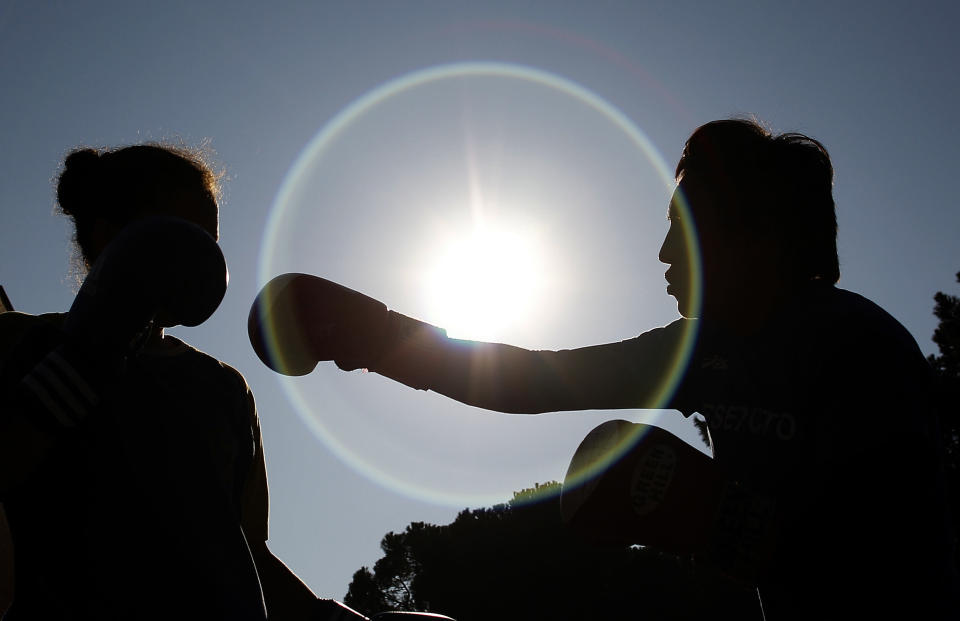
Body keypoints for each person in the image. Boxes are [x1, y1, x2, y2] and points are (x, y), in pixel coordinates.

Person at [249, 119, 960, 619]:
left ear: (757, 237)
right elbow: (533, 378)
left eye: (682, 230)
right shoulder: (704, 350)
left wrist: (733, 524)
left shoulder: (856, 341)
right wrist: (375, 337)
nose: (662, 255)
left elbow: (897, 525)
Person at [0, 144, 366, 620]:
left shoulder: (224, 388)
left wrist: (337, 619)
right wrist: (81, 360)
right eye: (181, 235)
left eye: (209, 240)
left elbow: (245, 551)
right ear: (108, 234)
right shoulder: (18, 342)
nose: (201, 258)